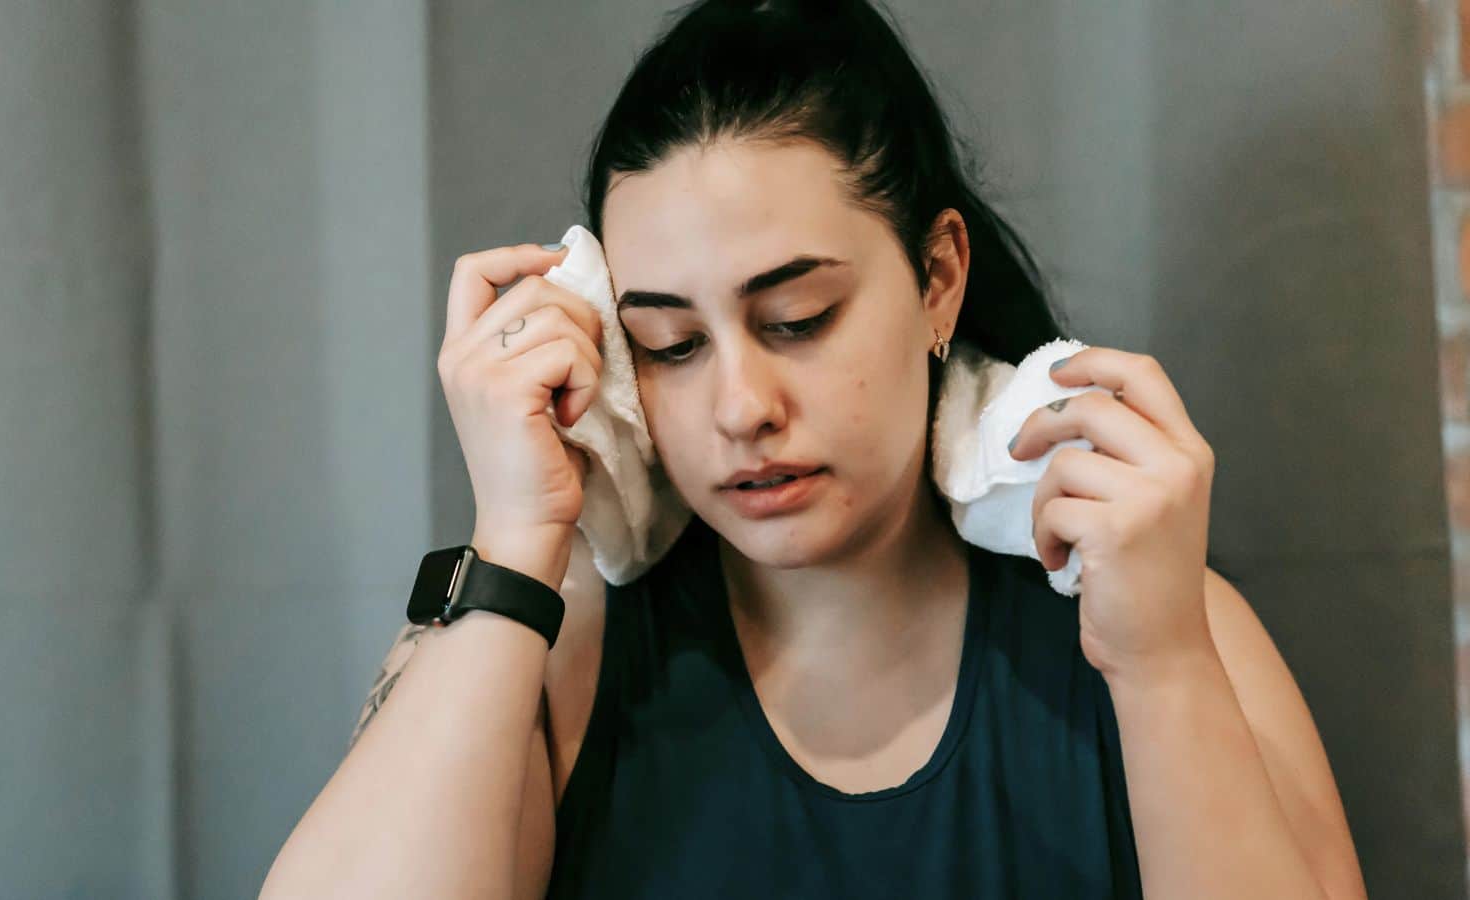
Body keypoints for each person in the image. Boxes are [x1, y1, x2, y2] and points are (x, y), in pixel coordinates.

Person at [261, 1, 1368, 898]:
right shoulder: (559, 655)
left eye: (796, 320)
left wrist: (1164, 665)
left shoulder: (1156, 625)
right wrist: (513, 537)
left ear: (937, 279)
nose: (740, 405)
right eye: (669, 343)